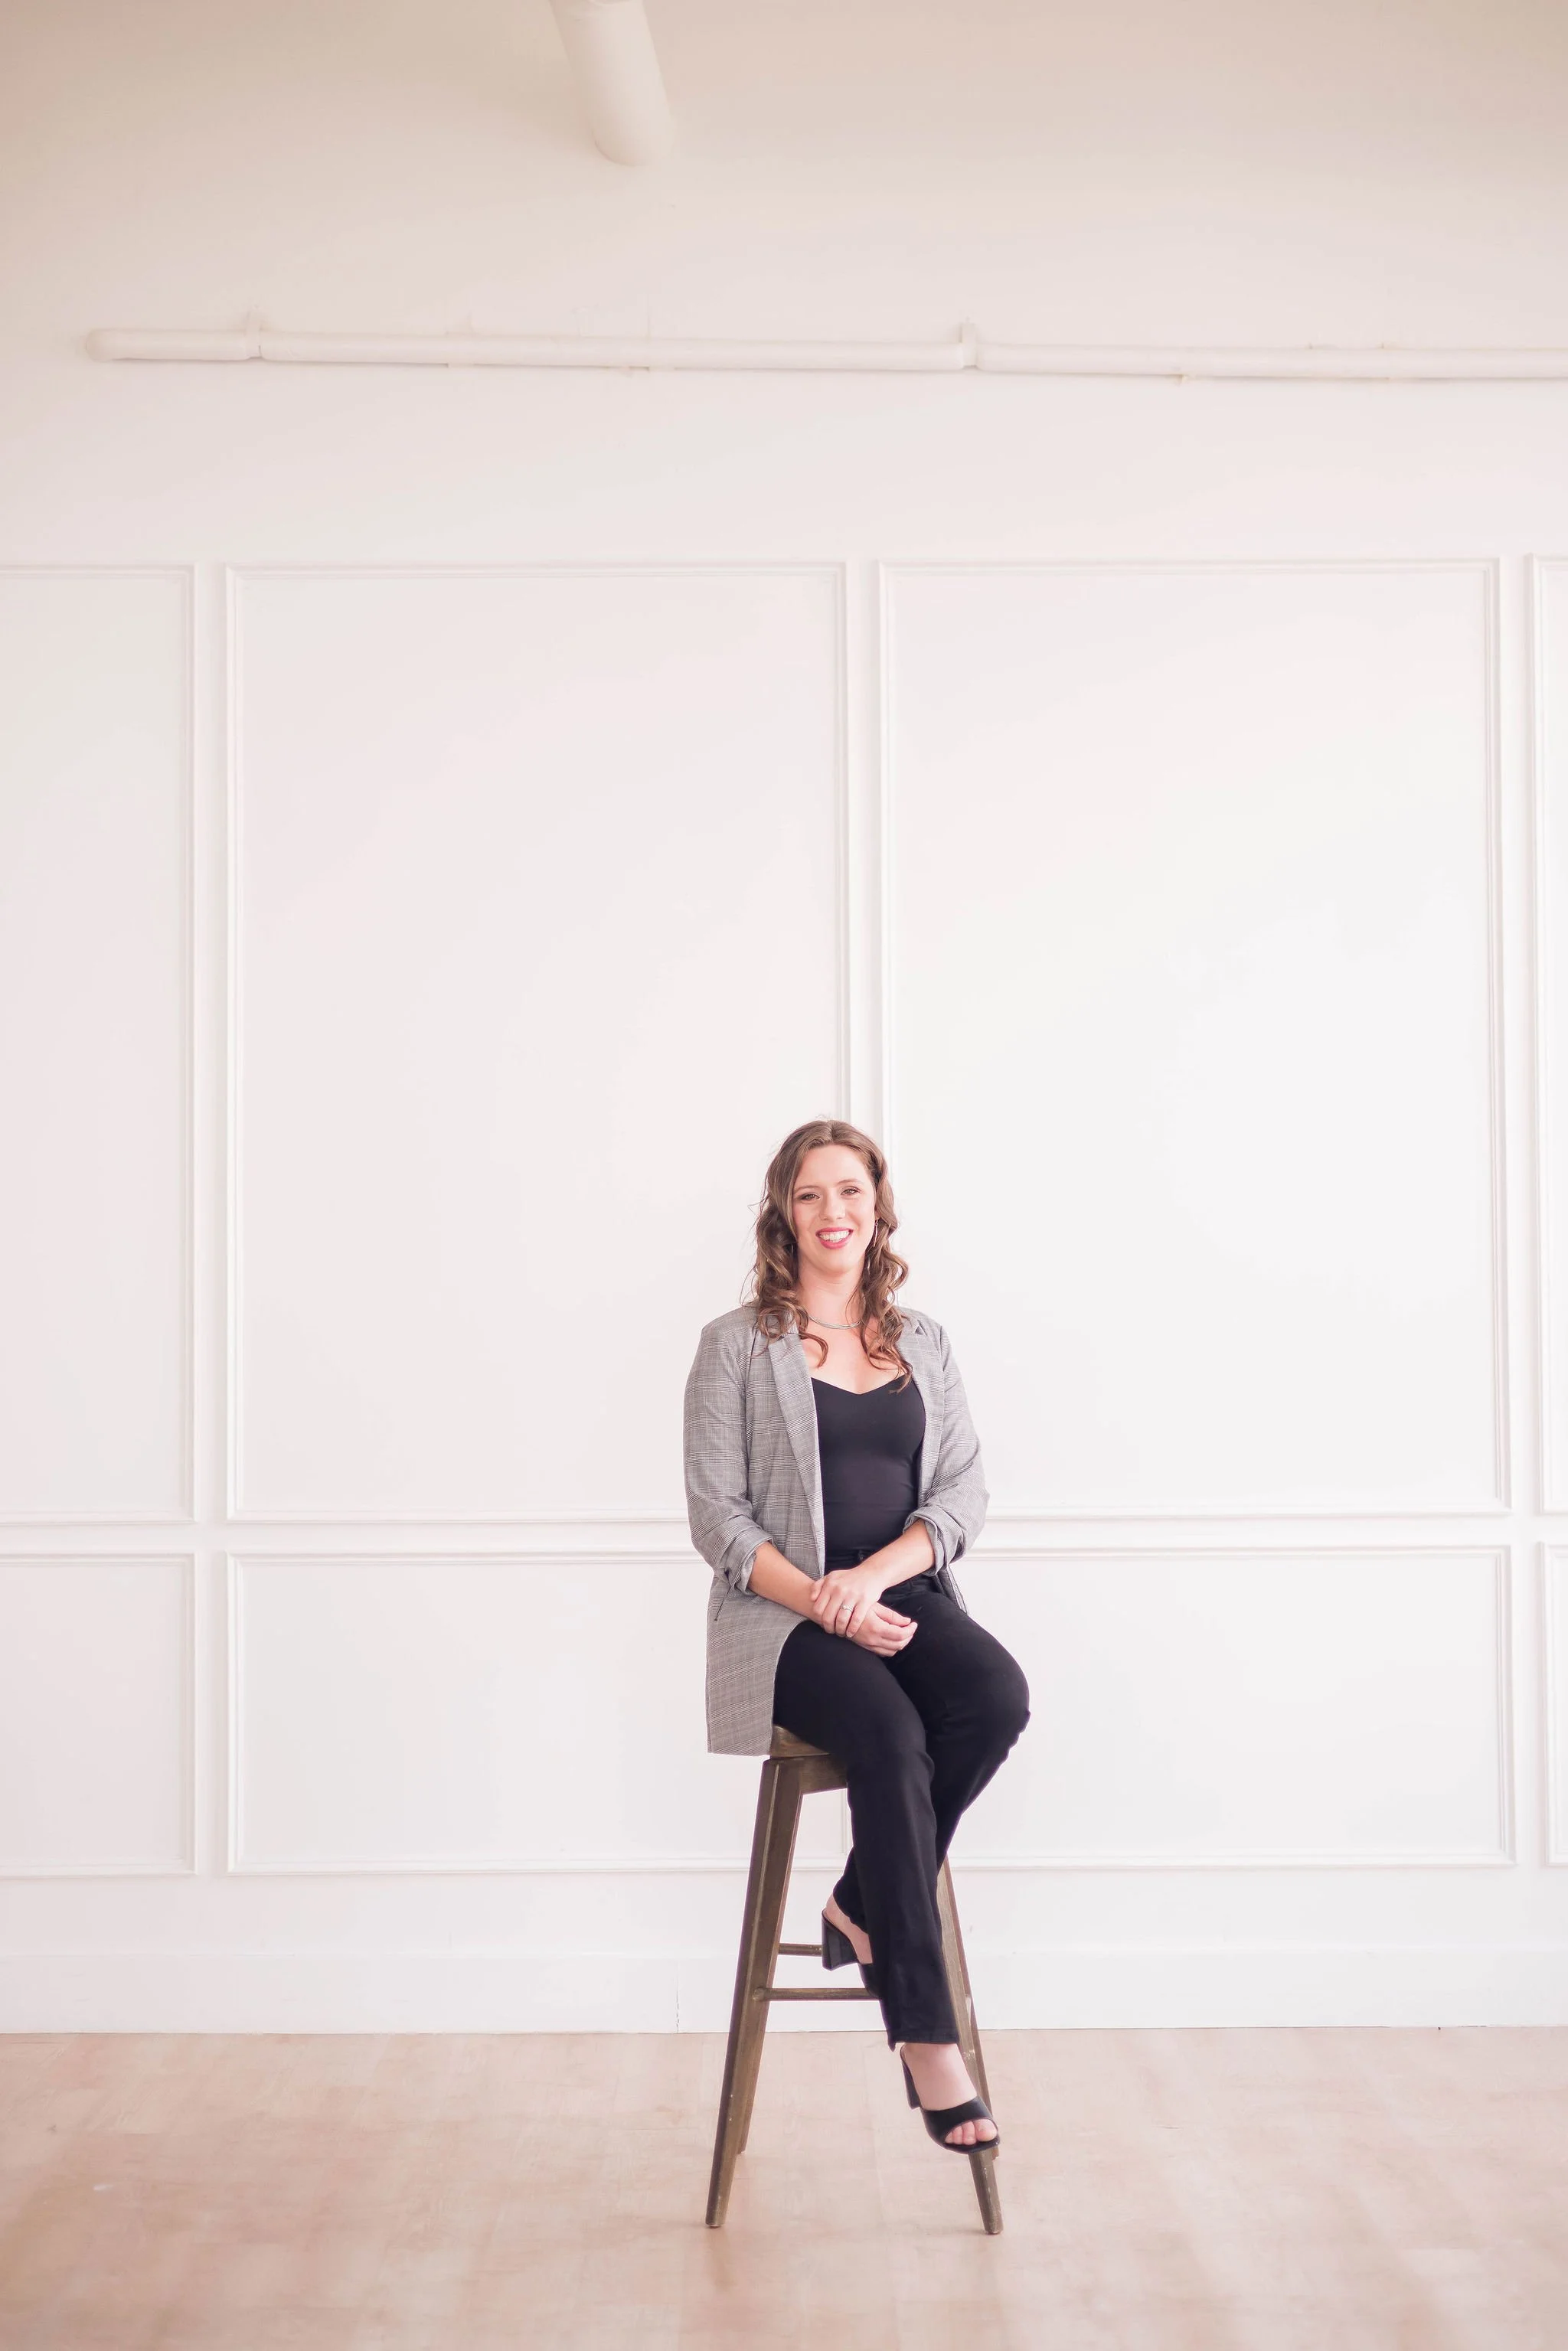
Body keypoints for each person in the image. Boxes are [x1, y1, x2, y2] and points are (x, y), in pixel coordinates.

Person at [683, 1118, 1031, 2152]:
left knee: (995, 1697)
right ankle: (926, 2038)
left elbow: (963, 1487)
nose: (833, 1212)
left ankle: (858, 1901)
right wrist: (820, 1596)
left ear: (878, 1206)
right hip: (780, 1622)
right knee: (889, 1735)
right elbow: (720, 1519)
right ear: (782, 1215)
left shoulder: (921, 1339)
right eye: (809, 1195)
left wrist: (875, 1576)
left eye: (850, 1191)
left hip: (897, 1592)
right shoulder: (736, 1346)